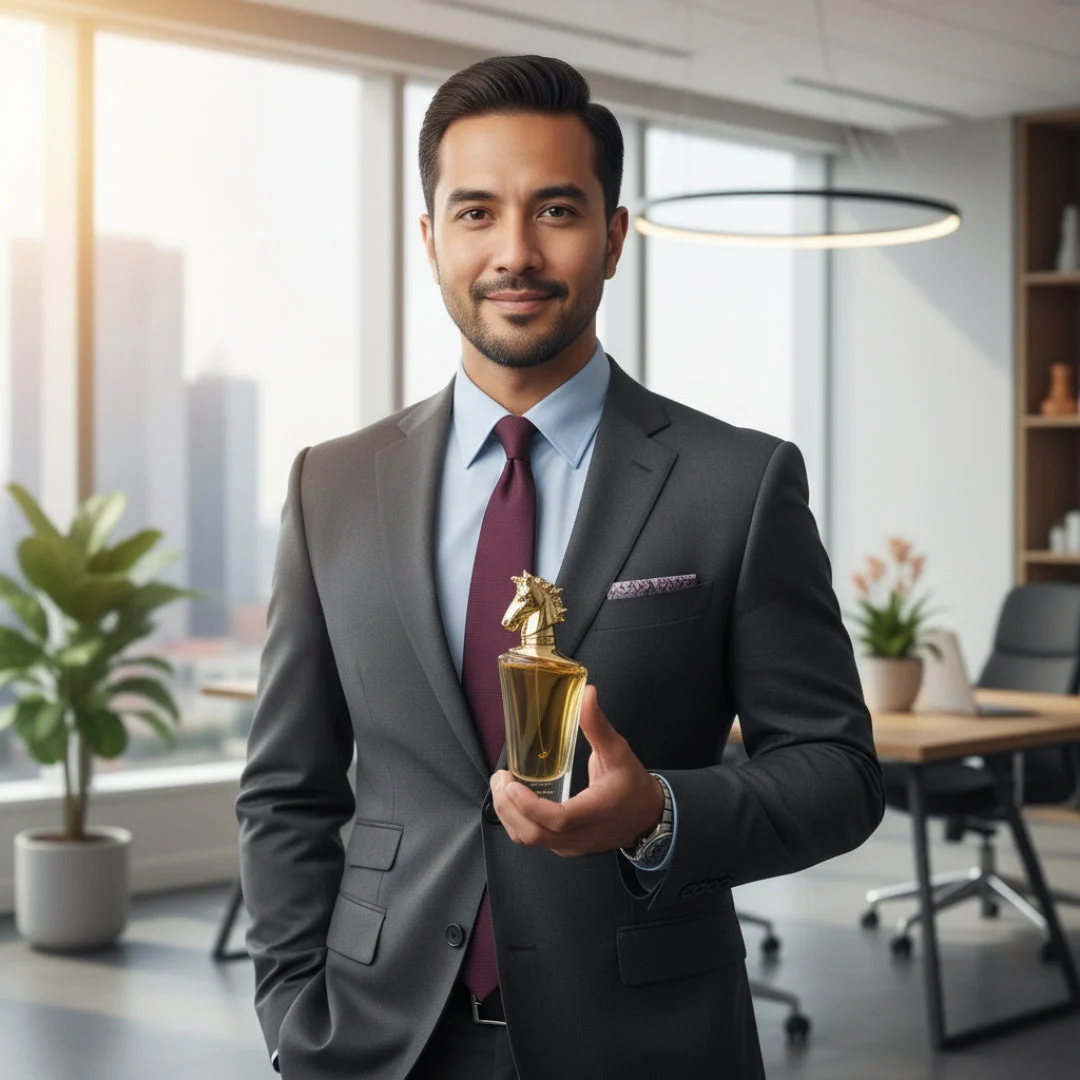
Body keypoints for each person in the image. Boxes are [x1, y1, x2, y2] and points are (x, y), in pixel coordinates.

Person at [236, 54, 884, 1080]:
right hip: (377, 1041)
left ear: (615, 236)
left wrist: (661, 813)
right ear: (430, 237)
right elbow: (286, 789)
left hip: (647, 1042)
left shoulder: (737, 483)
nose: (516, 252)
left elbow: (838, 775)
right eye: (477, 212)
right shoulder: (333, 485)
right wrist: (287, 1007)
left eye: (557, 210)